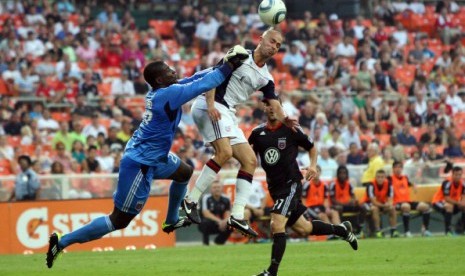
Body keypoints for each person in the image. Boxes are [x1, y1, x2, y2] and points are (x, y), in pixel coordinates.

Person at [46, 45, 250, 268]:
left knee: (184, 172)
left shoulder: (167, 89)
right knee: (119, 220)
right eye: (169, 70)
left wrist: (223, 61)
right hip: (140, 164)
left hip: (156, 156)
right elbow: (205, 83)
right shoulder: (168, 94)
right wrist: (229, 65)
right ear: (160, 80)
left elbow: (196, 77)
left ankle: (171, 219)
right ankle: (61, 242)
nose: (174, 71)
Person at [184, 28, 299, 237]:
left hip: (227, 111)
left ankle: (237, 215)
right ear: (260, 39)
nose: (274, 47)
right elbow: (214, 76)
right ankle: (190, 201)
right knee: (225, 153)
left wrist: (285, 119)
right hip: (210, 104)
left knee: (249, 161)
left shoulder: (266, 78)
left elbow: (274, 102)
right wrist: (210, 104)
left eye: (278, 46)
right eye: (272, 41)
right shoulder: (239, 54)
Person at [249, 101, 357, 276]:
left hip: (291, 185)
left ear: (280, 109)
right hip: (275, 189)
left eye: (274, 105)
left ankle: (272, 272)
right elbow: (248, 156)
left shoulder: (291, 129)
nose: (271, 109)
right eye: (267, 105)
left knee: (276, 224)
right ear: (264, 108)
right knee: (304, 229)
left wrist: (313, 166)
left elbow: (312, 147)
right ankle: (342, 230)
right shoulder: (257, 133)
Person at [389, 161, 432, 237]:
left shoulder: (405, 177)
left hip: (407, 201)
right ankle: (407, 231)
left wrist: (413, 185)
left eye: (399, 167)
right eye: (396, 167)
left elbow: (408, 183)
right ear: (393, 169)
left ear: (402, 169)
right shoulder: (390, 179)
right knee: (406, 206)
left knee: (426, 207)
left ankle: (425, 229)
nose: (398, 169)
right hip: (397, 202)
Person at [362, 170, 399, 238]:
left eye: (382, 177)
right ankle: (378, 231)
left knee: (392, 208)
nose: (380, 179)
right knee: (374, 209)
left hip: (382, 203)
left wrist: (389, 204)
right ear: (375, 177)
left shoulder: (389, 184)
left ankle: (394, 230)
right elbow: (373, 201)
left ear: (385, 177)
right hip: (368, 203)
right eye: (378, 177)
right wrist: (384, 205)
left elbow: (390, 198)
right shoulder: (371, 185)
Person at [329, 165, 365, 234]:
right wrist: (345, 204)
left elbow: (353, 196)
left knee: (362, 207)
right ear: (338, 174)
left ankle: (359, 227)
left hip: (347, 205)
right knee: (338, 208)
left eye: (344, 173)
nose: (342, 175)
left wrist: (353, 200)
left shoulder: (349, 184)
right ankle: (343, 229)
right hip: (338, 206)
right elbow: (332, 199)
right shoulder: (333, 184)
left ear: (347, 174)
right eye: (341, 173)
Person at [432, 166, 465, 235]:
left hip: (453, 203)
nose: (458, 177)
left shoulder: (462, 184)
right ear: (452, 175)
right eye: (456, 175)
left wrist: (463, 203)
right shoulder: (447, 182)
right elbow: (447, 198)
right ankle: (448, 231)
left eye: (460, 175)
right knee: (449, 206)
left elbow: (463, 196)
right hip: (438, 202)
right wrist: (459, 203)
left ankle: (462, 229)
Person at [198, 180, 232, 245]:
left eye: (218, 187)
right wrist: (219, 221)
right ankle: (206, 244)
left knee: (231, 224)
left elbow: (228, 213)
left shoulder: (226, 198)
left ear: (222, 188)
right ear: (211, 189)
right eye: (214, 187)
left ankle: (219, 242)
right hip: (207, 224)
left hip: (221, 224)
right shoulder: (206, 197)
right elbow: (206, 213)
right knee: (206, 222)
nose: (217, 189)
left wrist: (224, 221)